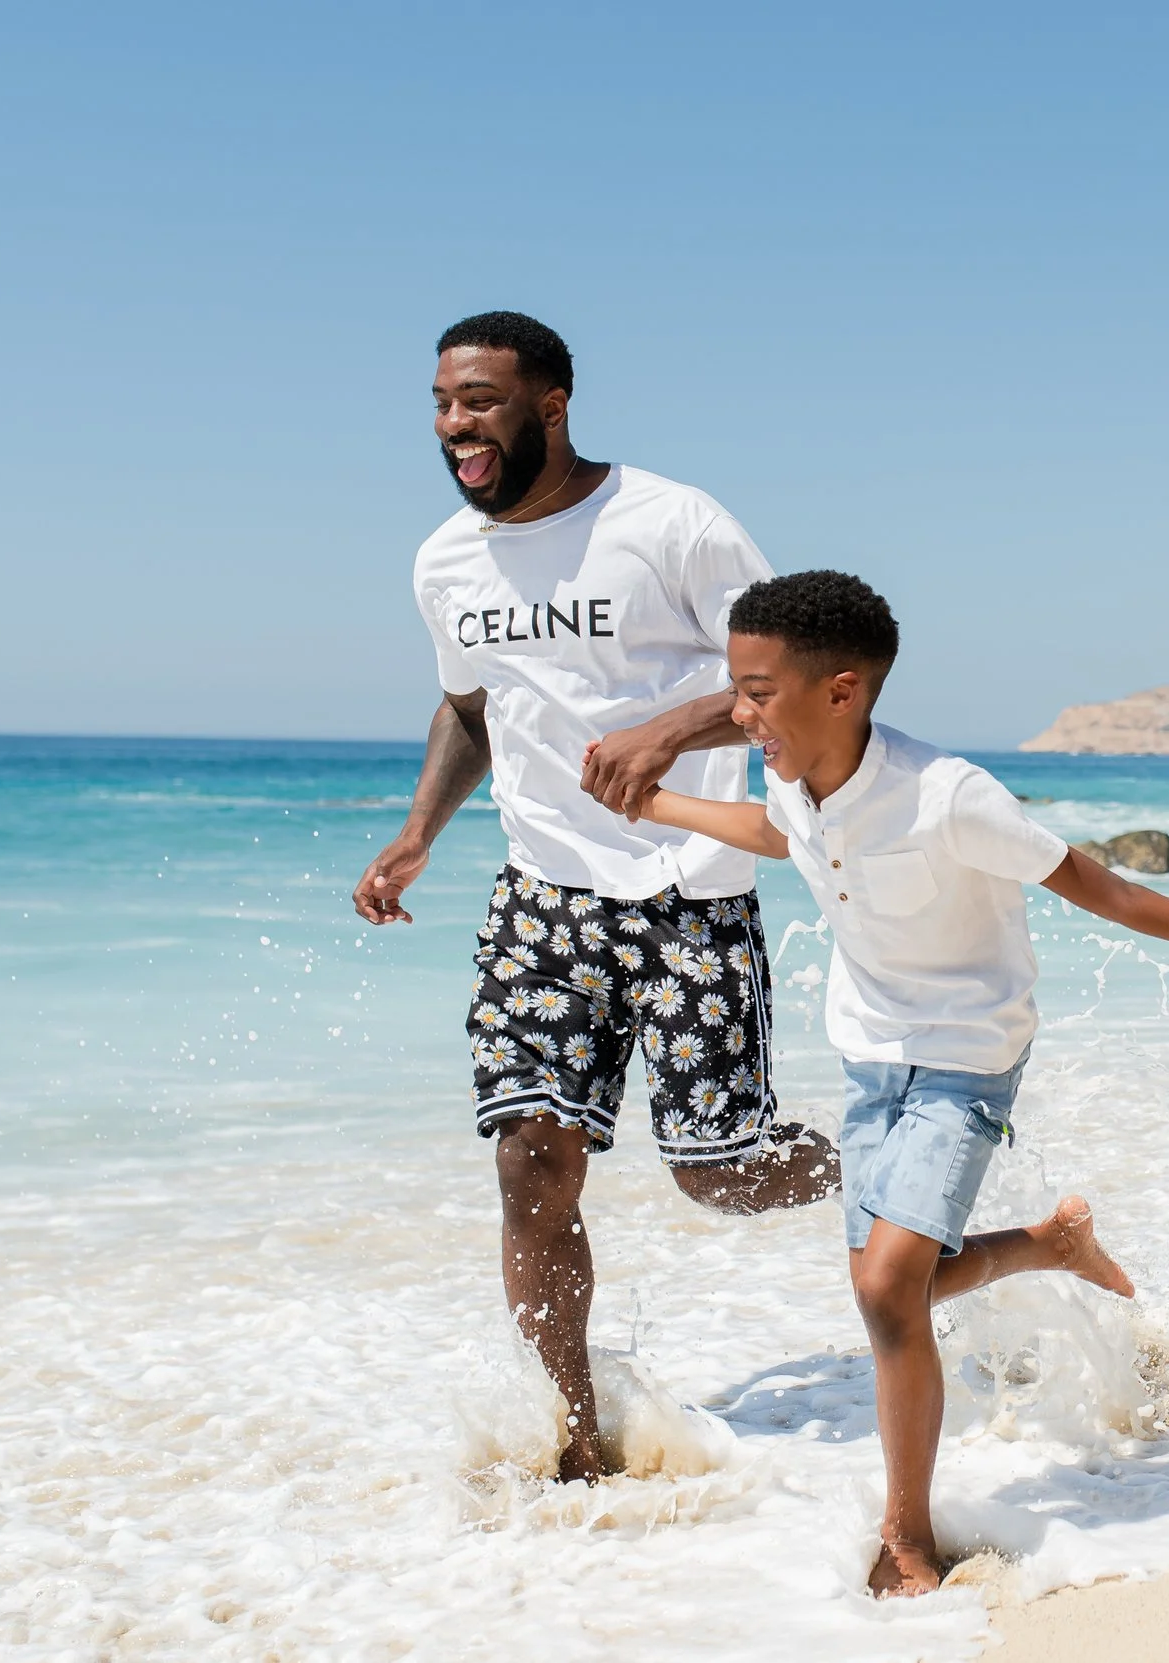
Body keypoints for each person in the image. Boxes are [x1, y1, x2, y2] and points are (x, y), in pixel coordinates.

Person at [622, 569, 1169, 1595]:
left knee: (884, 1287)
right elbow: (782, 836)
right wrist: (651, 799)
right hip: (868, 1059)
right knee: (891, 1300)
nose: (735, 714)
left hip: (967, 1057)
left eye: (754, 691)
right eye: (733, 690)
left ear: (841, 689)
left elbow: (1109, 889)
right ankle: (1048, 1245)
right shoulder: (790, 777)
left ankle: (905, 1536)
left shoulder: (950, 795)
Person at [352, 311, 839, 1486]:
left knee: (717, 1174)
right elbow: (473, 705)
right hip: (542, 899)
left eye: (477, 401)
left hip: (689, 894)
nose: (453, 425)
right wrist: (419, 833)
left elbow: (789, 670)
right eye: (440, 402)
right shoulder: (444, 560)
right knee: (530, 1153)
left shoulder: (669, 523)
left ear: (551, 404)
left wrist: (667, 730)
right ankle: (575, 1435)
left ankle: (875, 1161)